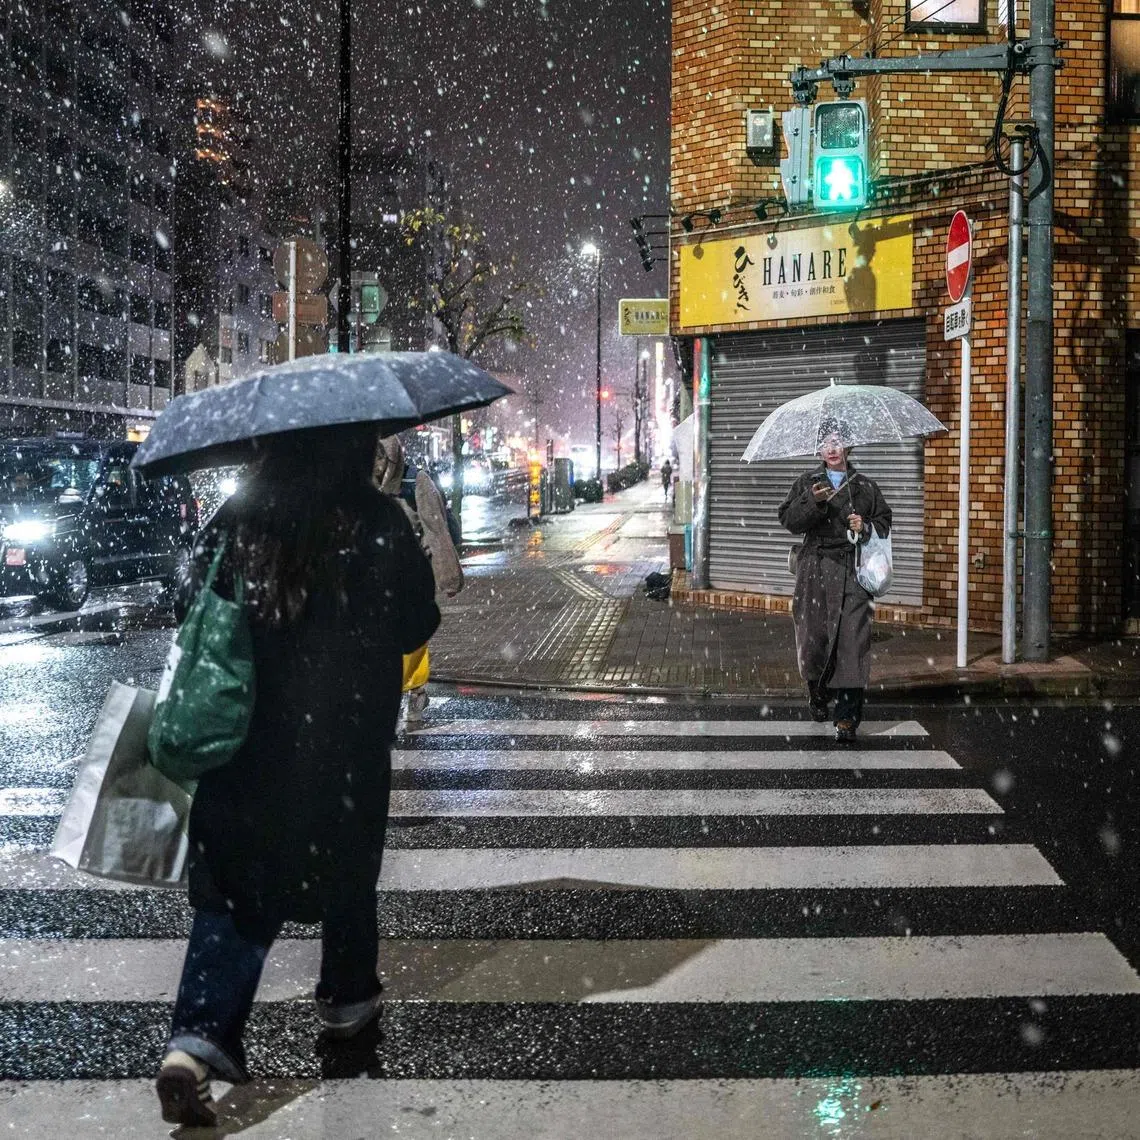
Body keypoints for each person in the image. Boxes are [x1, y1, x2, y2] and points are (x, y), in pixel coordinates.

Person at [156, 424, 440, 1128]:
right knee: (347, 869)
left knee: (234, 892)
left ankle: (196, 1039)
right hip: (344, 740)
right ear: (356, 447)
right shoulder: (378, 521)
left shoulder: (241, 515)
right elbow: (415, 626)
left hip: (247, 735)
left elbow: (186, 602)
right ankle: (346, 998)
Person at [777, 429, 891, 743]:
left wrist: (865, 526)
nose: (832, 449)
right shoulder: (807, 482)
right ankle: (817, 693)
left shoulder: (865, 485)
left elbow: (884, 521)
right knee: (813, 640)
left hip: (853, 572)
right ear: (818, 450)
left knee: (853, 644)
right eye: (826, 444)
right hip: (813, 570)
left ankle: (847, 718)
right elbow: (788, 520)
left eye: (838, 443)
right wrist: (813, 503)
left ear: (848, 447)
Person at [373, 436, 463, 728]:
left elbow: (436, 530)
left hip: (412, 574)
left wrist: (448, 577)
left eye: (381, 458)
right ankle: (398, 691)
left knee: (411, 639)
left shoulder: (415, 482)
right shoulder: (362, 485)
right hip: (376, 577)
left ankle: (416, 691)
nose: (376, 466)